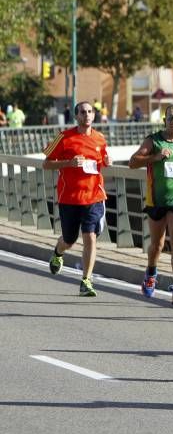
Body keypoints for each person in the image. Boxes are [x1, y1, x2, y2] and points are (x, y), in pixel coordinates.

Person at [129, 104, 173, 305]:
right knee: (157, 245)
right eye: (170, 118)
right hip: (156, 199)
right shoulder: (154, 140)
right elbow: (133, 162)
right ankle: (150, 273)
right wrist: (155, 158)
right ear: (164, 121)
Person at [42, 101, 110, 297]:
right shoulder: (63, 137)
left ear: (94, 115)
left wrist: (106, 161)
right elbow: (46, 163)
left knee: (90, 237)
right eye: (82, 112)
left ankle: (86, 281)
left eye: (90, 112)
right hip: (69, 198)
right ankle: (58, 252)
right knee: (69, 239)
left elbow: (102, 159)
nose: (86, 115)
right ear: (76, 116)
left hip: (94, 196)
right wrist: (69, 163)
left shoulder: (100, 138)